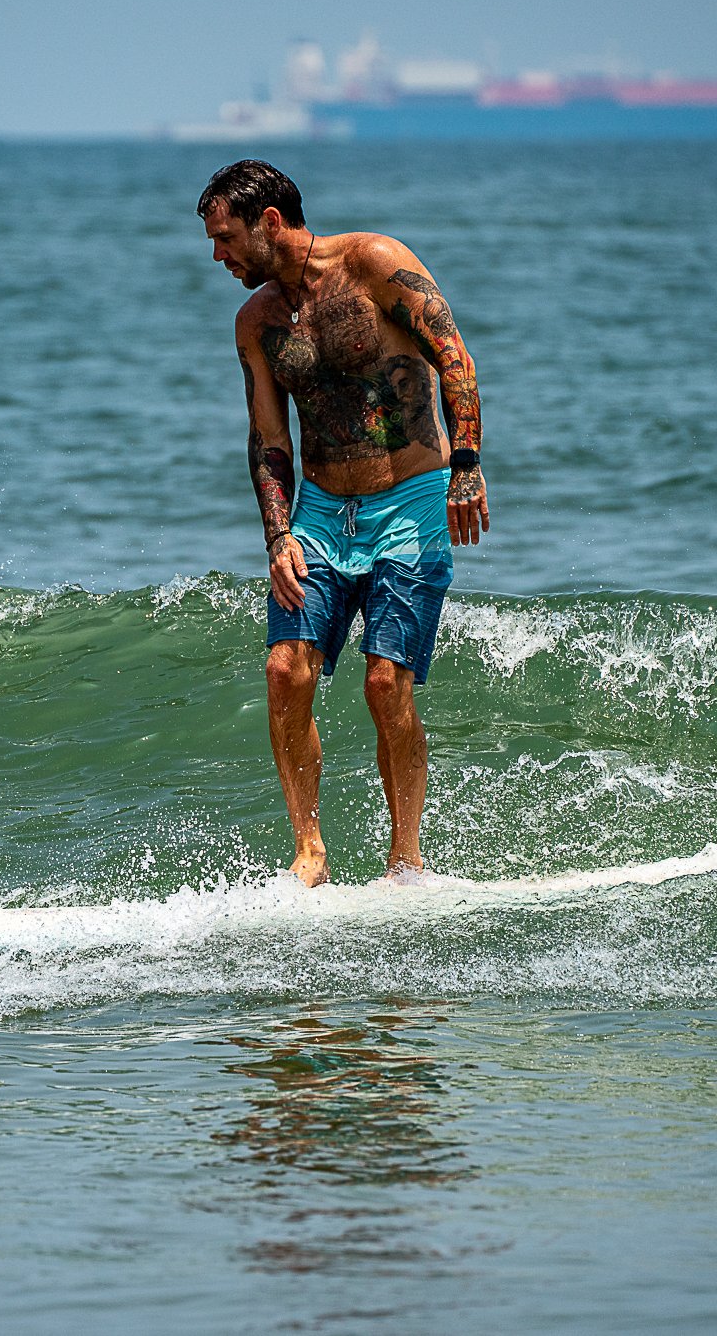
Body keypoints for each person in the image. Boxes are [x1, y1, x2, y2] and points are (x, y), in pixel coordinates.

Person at [197, 159, 489, 887]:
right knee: (284, 670)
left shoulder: (376, 264)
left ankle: (406, 858)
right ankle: (310, 853)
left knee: (386, 684)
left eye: (226, 237)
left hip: (410, 497)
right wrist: (278, 535)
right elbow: (269, 435)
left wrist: (468, 464)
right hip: (323, 515)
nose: (218, 256)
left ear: (270, 222)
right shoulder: (256, 323)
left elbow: (454, 355)